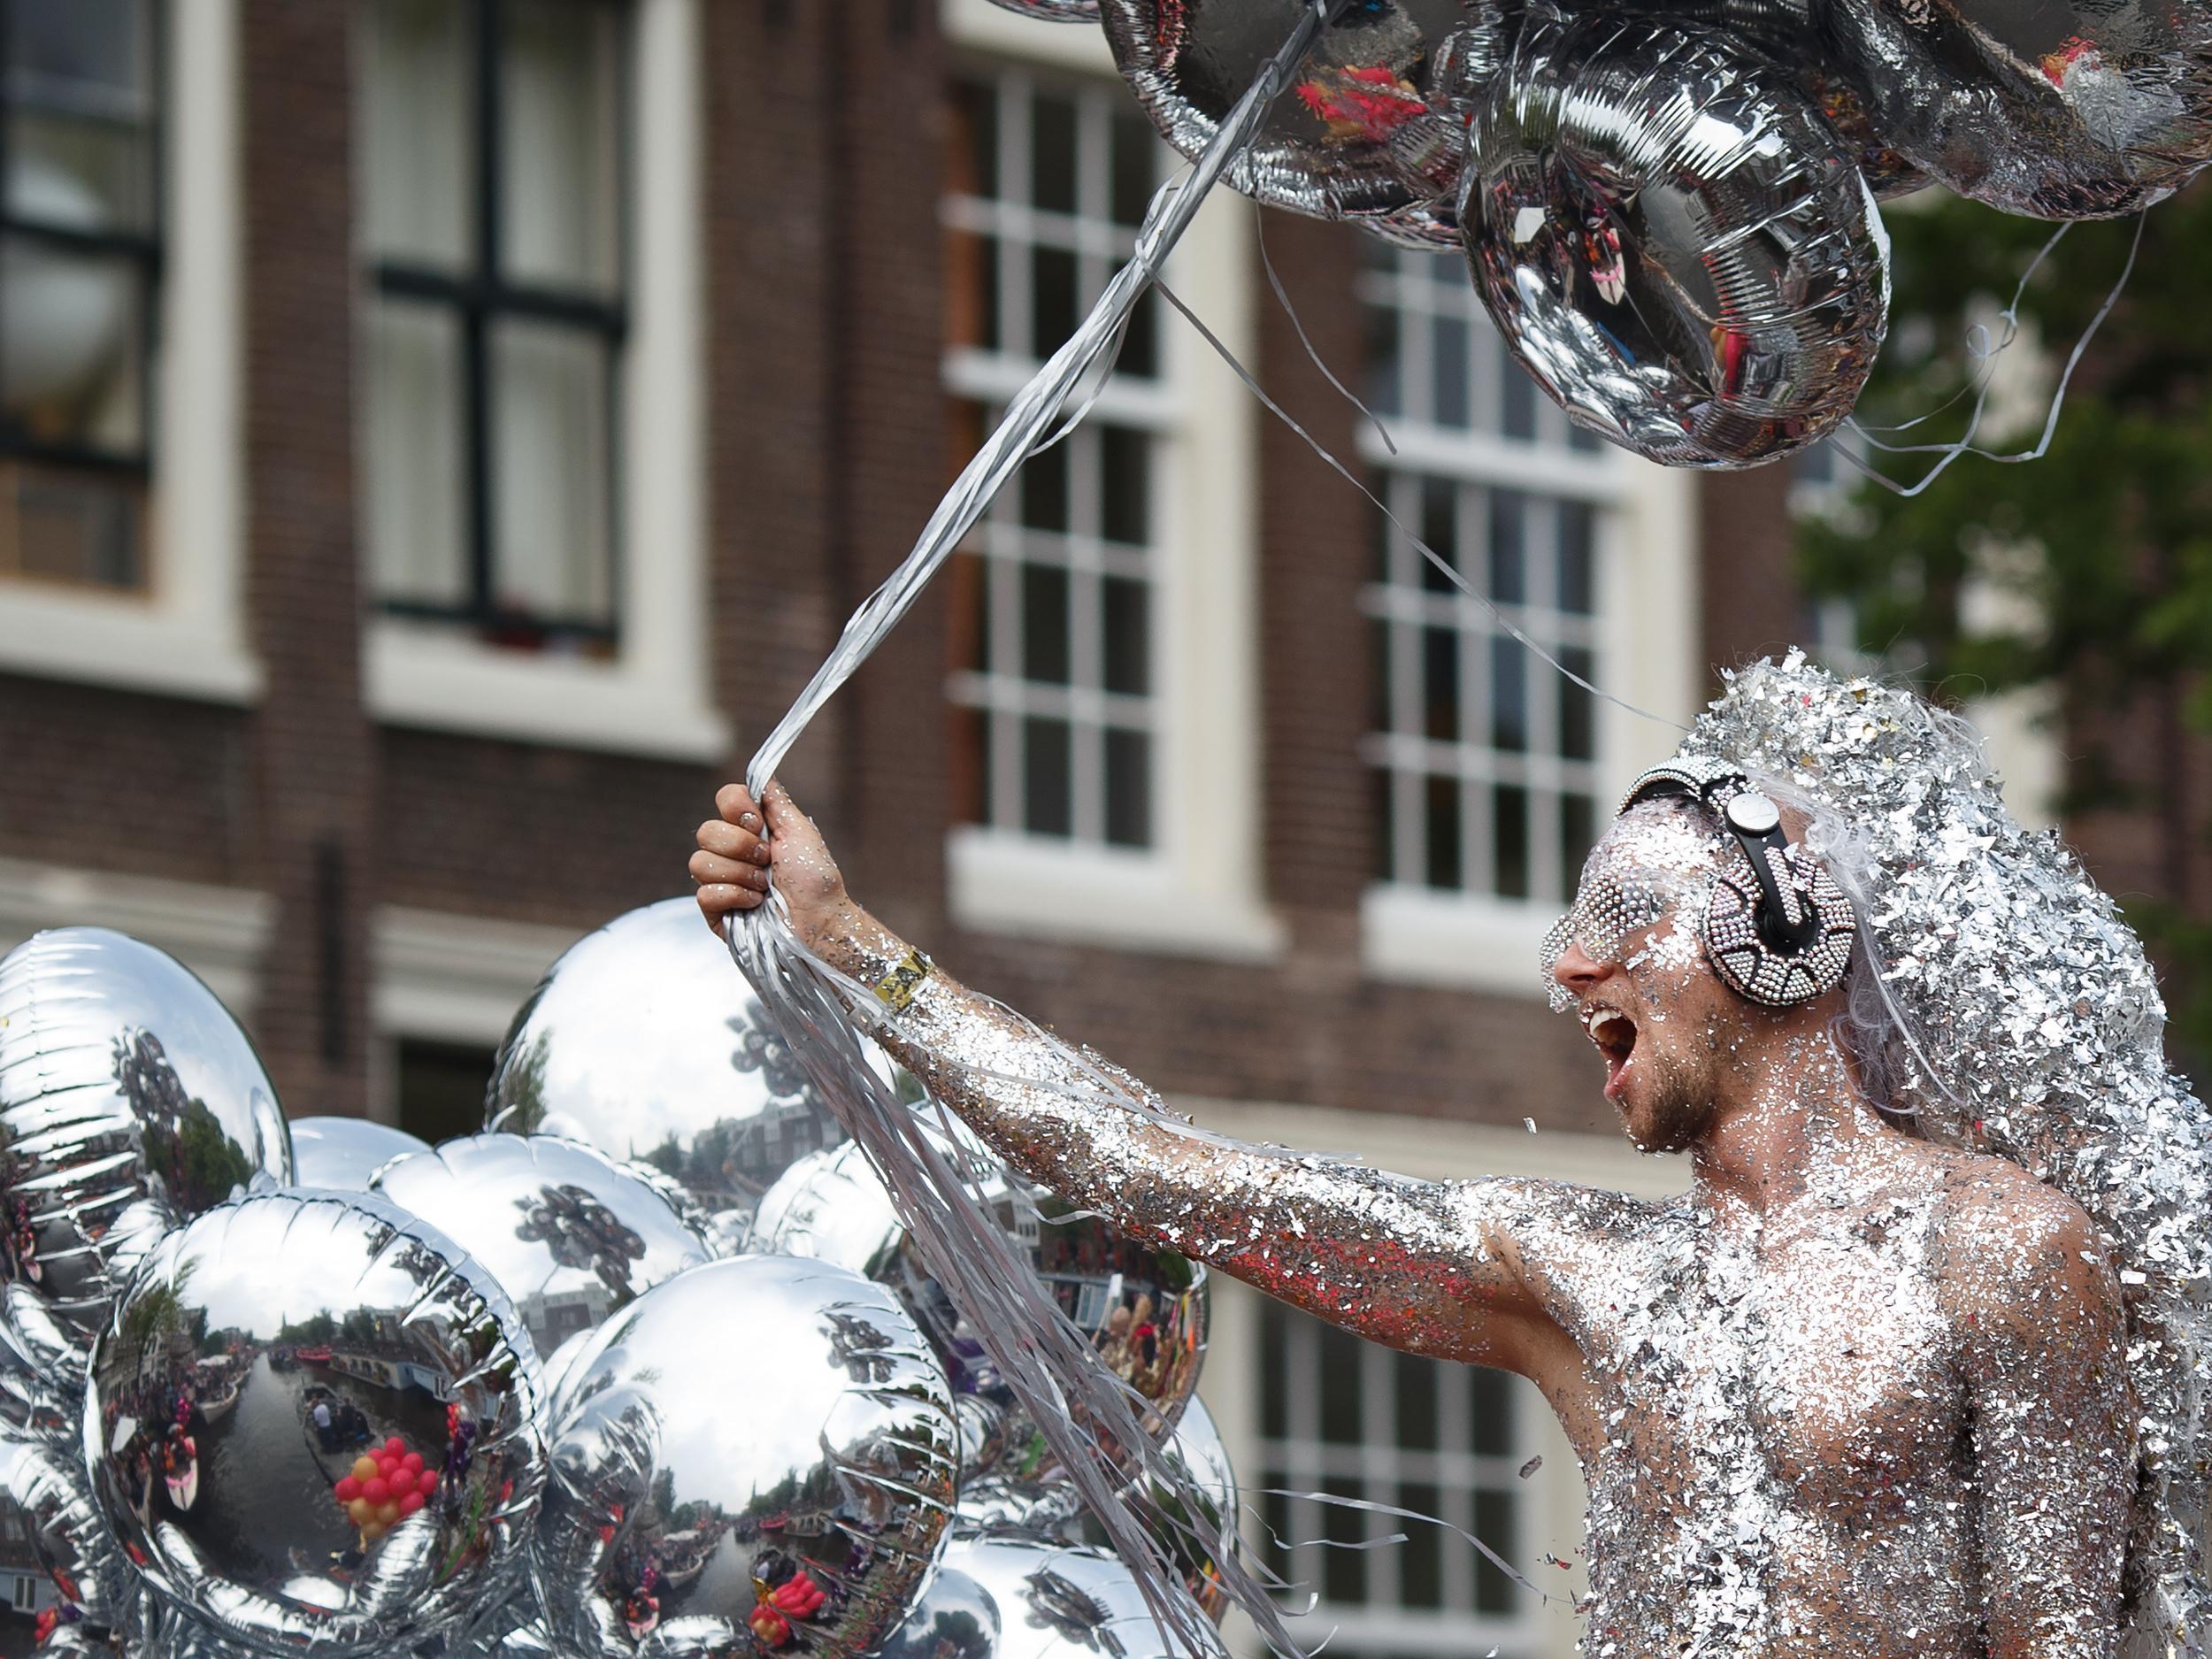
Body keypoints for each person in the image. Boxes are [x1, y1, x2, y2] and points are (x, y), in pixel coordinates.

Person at [695, 657, 2204, 1658]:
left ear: (1780, 937)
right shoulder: (1580, 1279)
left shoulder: (2004, 1254)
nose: (1565, 974)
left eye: (1615, 918)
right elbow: (1152, 1166)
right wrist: (849, 946)